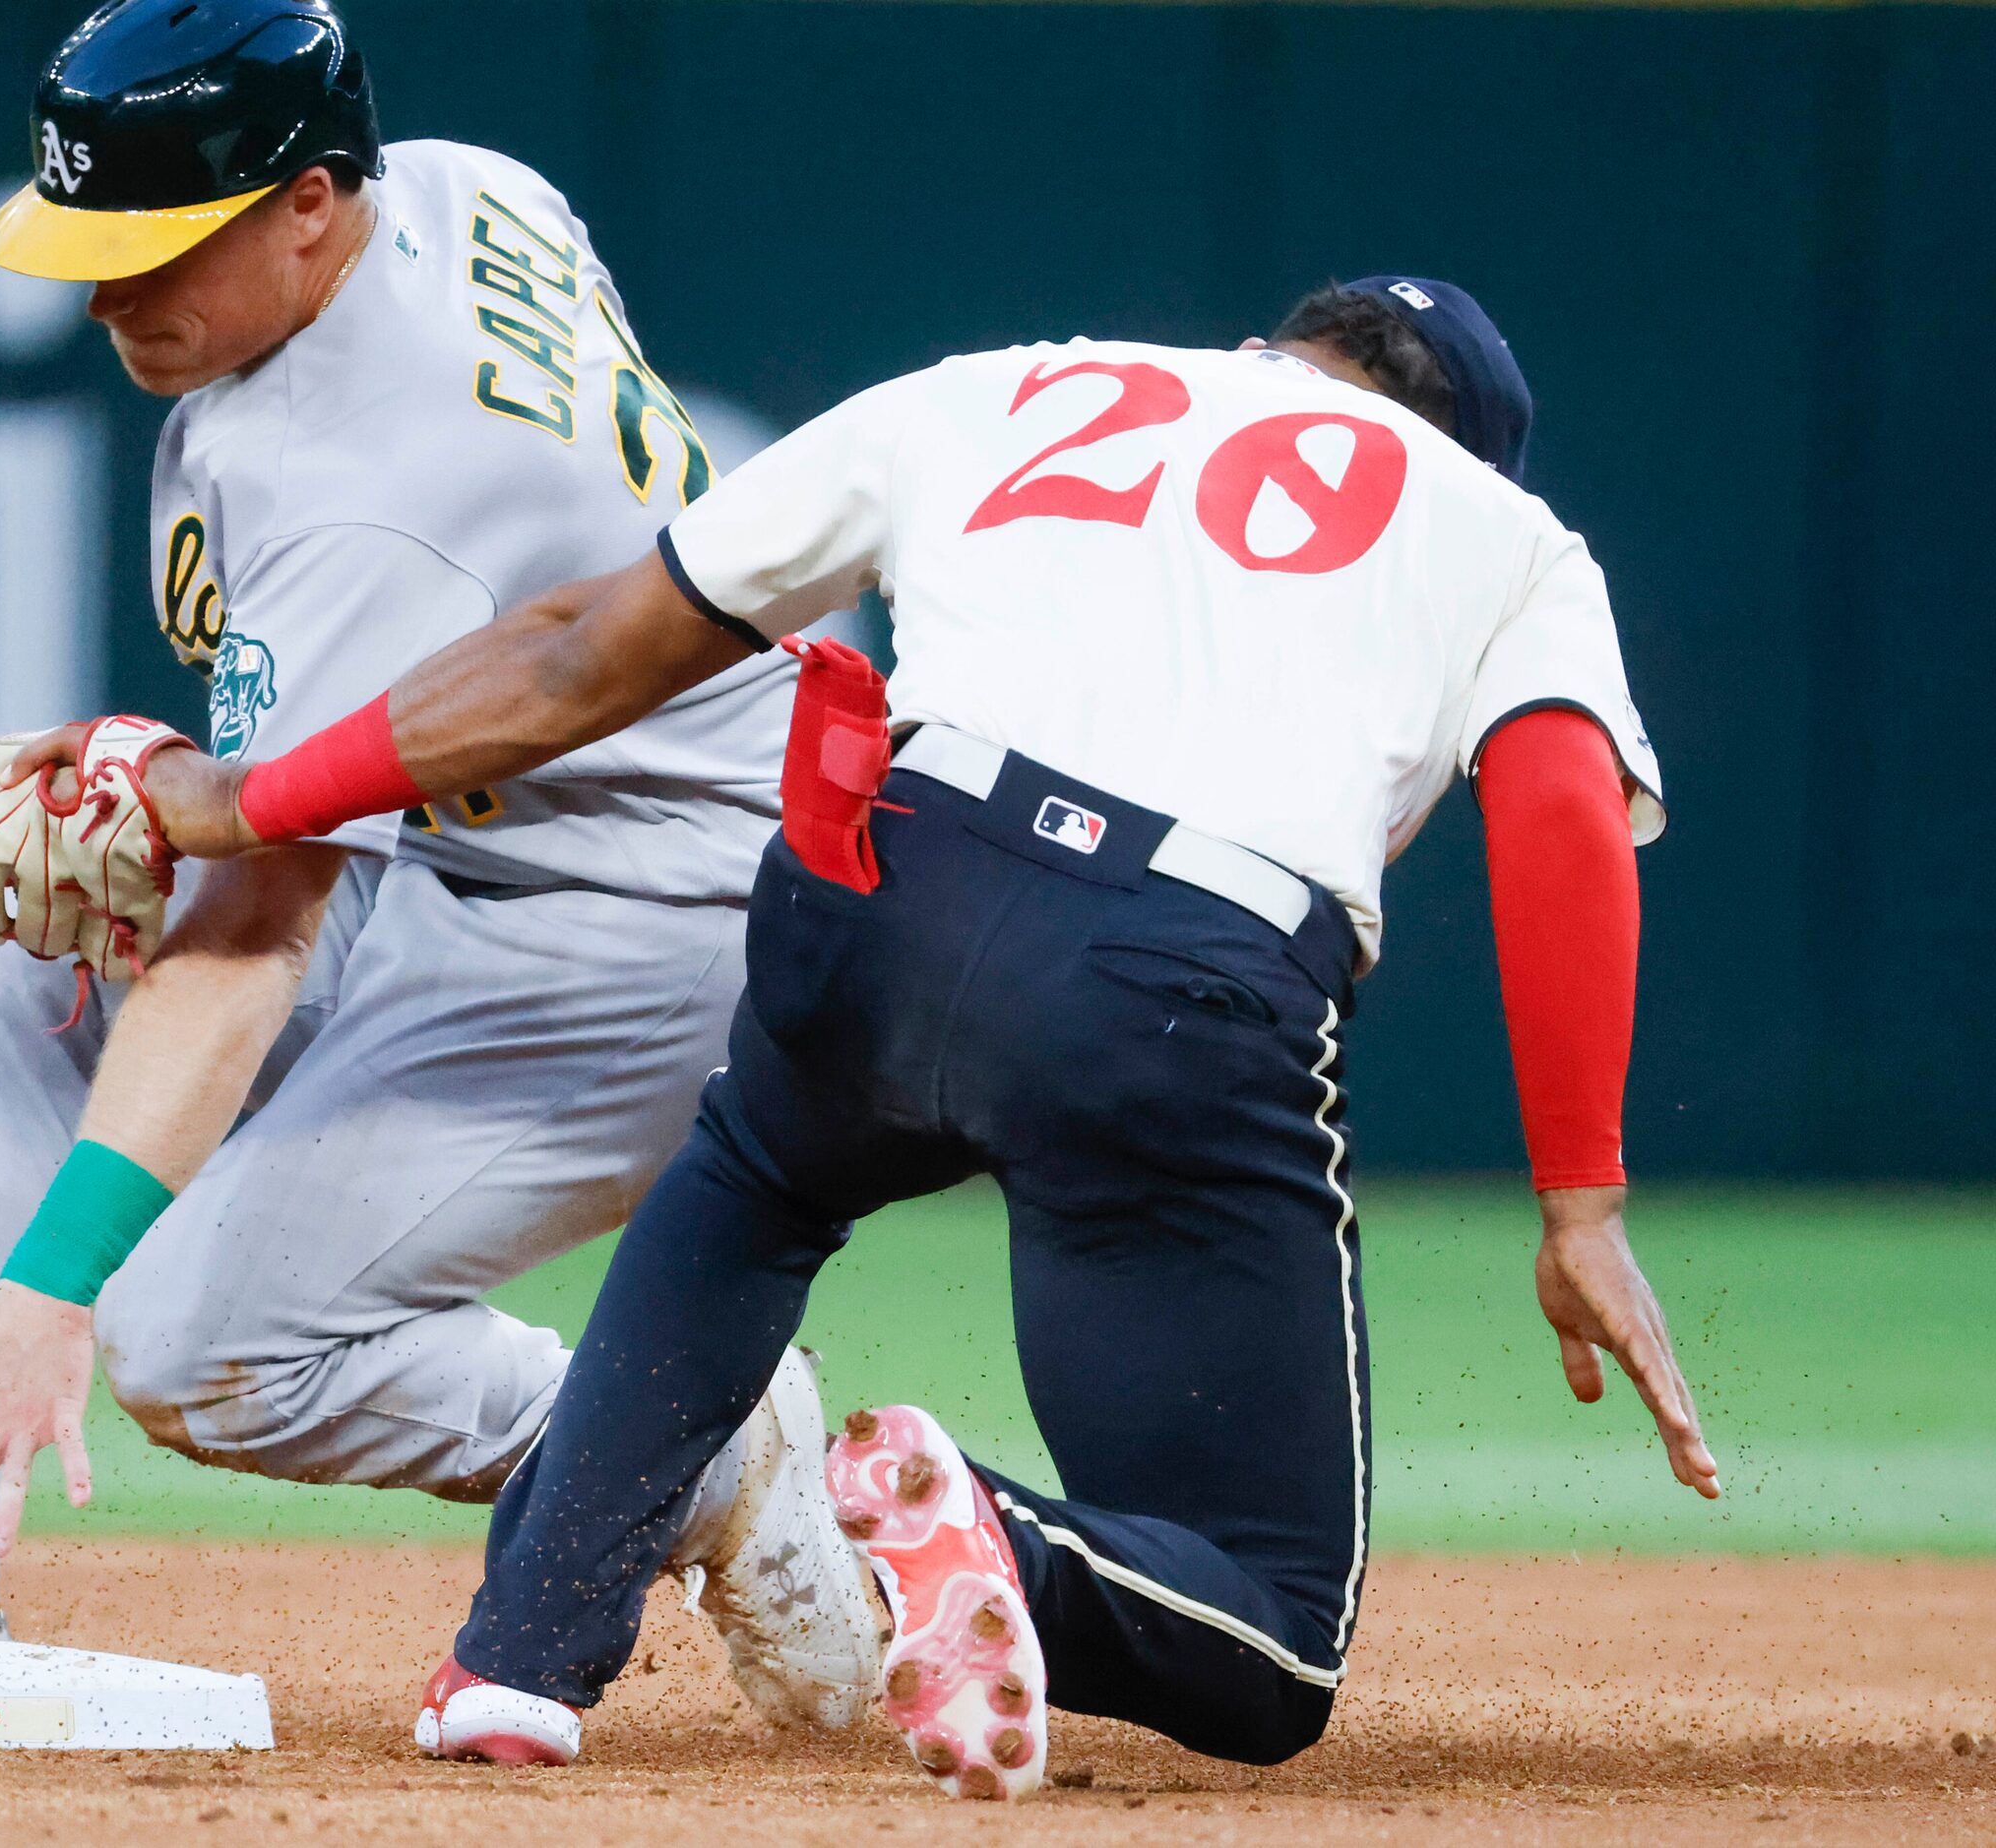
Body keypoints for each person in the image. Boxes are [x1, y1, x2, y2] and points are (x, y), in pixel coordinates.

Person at [132, 276, 1721, 1792]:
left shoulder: (1005, 386)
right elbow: (1560, 814)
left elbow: (570, 658)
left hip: (886, 881)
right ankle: (979, 1533)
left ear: (1263, 352)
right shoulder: (1505, 535)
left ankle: (517, 1659)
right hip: (1172, 982)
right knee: (1272, 1638)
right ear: (1467, 455)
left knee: (752, 1172)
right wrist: (1580, 1203)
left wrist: (246, 795)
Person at [0, 0, 889, 1735]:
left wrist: (49, 1289)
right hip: (499, 858)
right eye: (87, 249)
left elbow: (258, 925)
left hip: (665, 932)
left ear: (311, 201)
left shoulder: (364, 487)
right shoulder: (465, 187)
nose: (107, 299)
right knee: (40, 927)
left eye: (155, 246)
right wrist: (170, 786)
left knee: (191, 1343)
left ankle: (696, 1439)